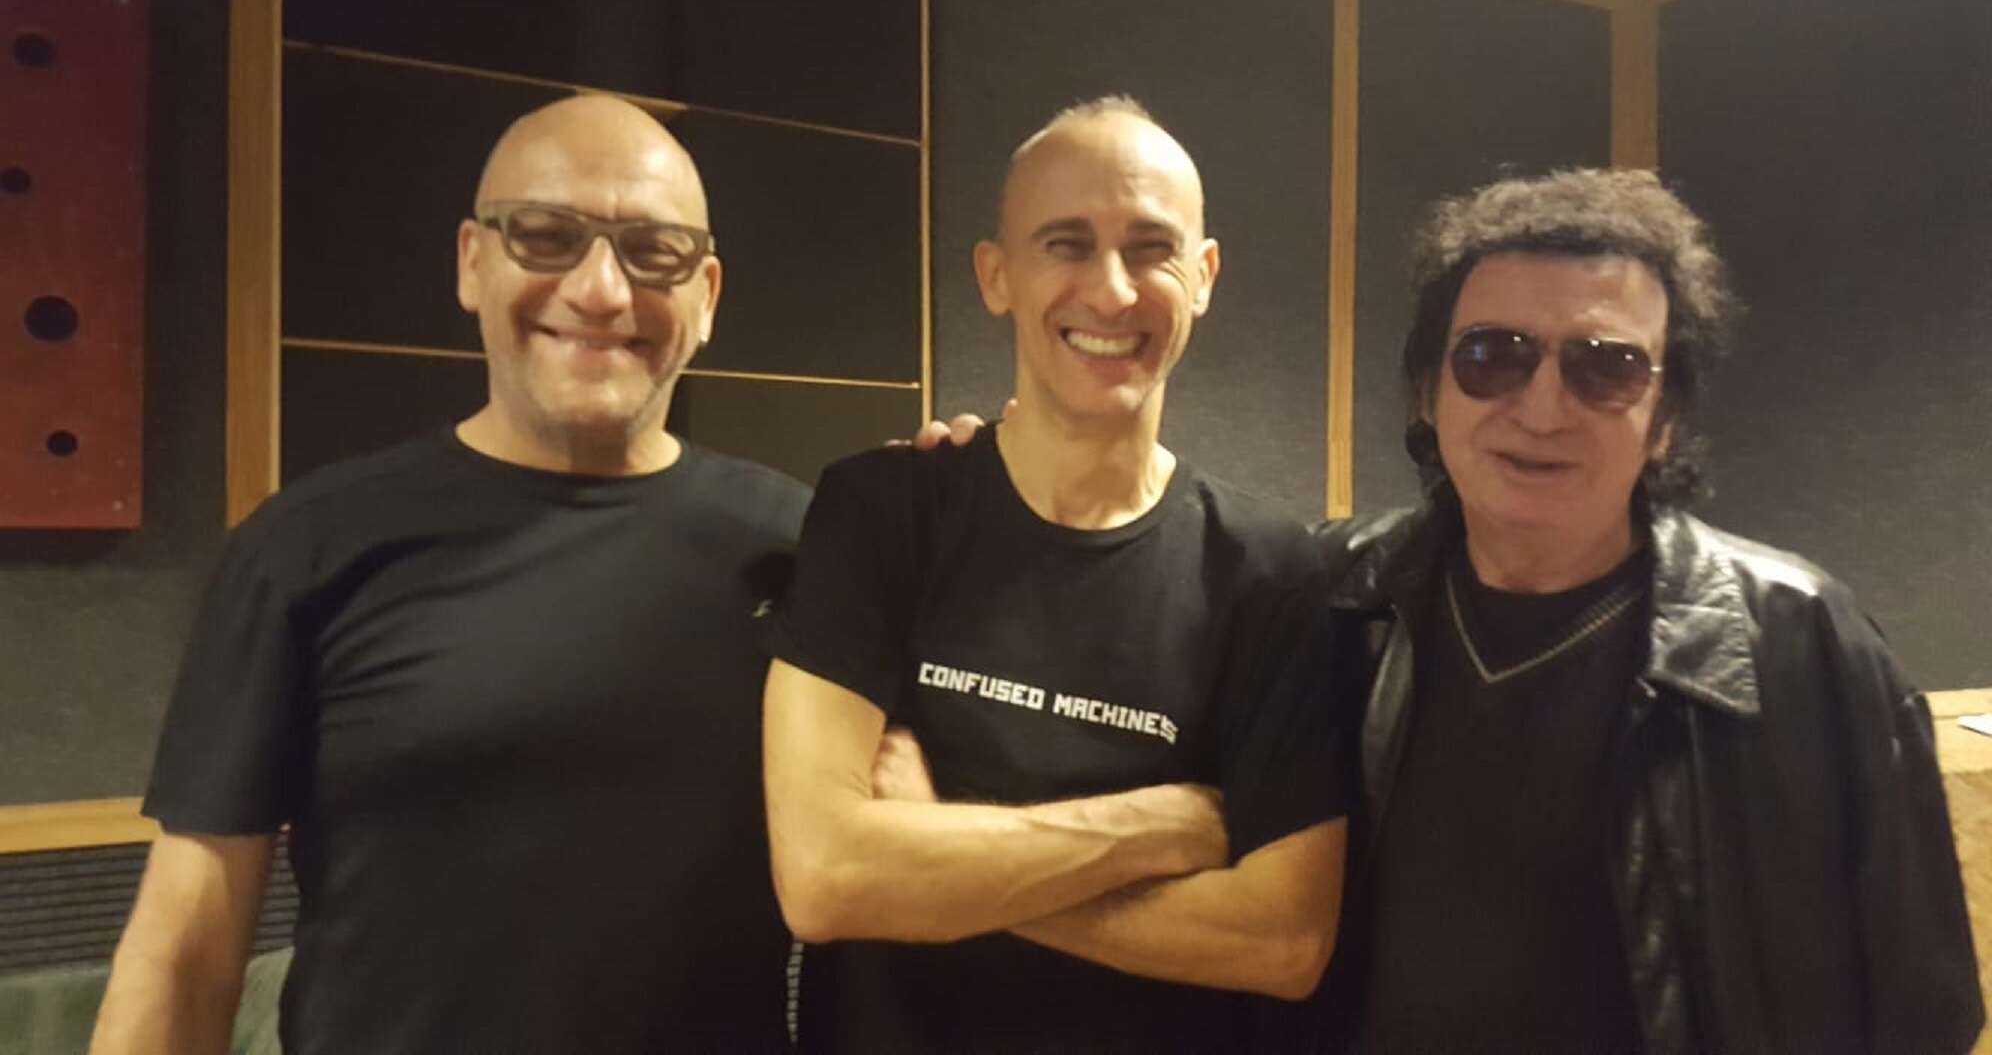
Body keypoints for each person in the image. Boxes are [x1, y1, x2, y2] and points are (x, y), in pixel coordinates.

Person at [90, 95, 810, 1054]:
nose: (602, 290)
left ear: (707, 294)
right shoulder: (306, 546)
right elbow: (186, 953)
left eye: (655, 251)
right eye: (547, 236)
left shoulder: (805, 547)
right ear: (474, 262)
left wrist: (980, 498)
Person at [1301, 167, 1983, 1052]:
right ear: (1431, 389)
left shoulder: (1800, 642)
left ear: (1665, 418)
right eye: (1493, 356)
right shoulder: (1332, 600)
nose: (1542, 408)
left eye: (1607, 368)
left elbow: (1923, 1008)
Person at [760, 96, 1355, 1054]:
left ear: (1204, 277)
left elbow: (1283, 941)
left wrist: (932, 850)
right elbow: (826, 879)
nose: (1112, 292)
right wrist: (1156, 829)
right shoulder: (881, 511)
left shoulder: (1270, 571)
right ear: (996, 275)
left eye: (1152, 249)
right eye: (1066, 245)